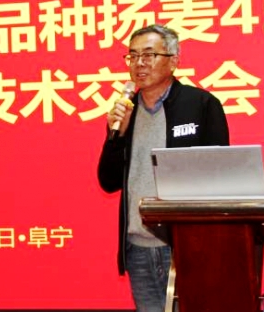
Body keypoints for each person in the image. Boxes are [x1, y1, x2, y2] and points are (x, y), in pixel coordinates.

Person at [97, 24, 229, 312]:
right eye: (133, 56)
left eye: (149, 55)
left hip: (187, 245)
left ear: (173, 60)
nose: (139, 63)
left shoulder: (201, 104)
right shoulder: (126, 110)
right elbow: (108, 181)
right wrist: (116, 136)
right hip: (138, 247)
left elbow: (220, 176)